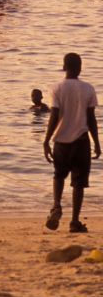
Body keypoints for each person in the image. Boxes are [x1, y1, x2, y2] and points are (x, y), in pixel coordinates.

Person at [43, 52, 100, 233]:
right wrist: (97, 143)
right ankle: (75, 221)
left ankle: (56, 206)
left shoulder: (57, 88)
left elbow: (54, 116)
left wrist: (46, 140)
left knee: (58, 176)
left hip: (61, 142)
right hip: (81, 142)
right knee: (79, 183)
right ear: (80, 68)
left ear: (64, 67)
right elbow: (91, 119)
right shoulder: (88, 88)